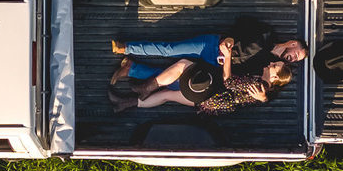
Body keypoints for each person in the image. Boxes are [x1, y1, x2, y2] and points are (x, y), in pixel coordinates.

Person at [110, 27, 307, 88]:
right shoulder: (266, 35)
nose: (294, 58)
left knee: (177, 81)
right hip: (211, 46)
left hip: (216, 67)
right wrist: (228, 41)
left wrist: (227, 61)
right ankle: (126, 48)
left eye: (297, 60)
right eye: (296, 53)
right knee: (169, 50)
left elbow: (236, 79)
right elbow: (238, 26)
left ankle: (132, 69)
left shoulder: (268, 68)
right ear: (292, 43)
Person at [109, 58, 292, 115]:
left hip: (211, 94)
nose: (271, 63)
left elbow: (229, 82)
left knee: (183, 65)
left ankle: (145, 88)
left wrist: (227, 56)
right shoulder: (263, 89)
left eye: (275, 66)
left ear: (275, 77)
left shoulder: (258, 85)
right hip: (212, 103)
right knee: (166, 95)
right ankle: (125, 103)